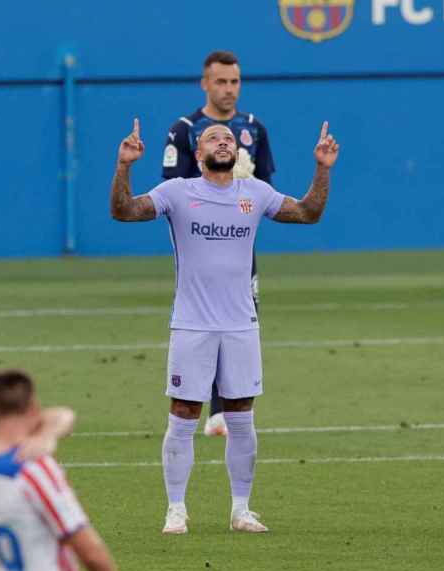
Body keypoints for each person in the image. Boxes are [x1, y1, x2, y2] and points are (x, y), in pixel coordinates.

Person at [110, 117, 339, 534]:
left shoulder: (255, 193)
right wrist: (124, 165)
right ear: (198, 154)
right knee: (183, 413)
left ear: (238, 153)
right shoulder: (177, 193)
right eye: (212, 138)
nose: (222, 142)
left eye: (228, 138)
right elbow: (124, 211)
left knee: (240, 415)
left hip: (240, 325)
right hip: (192, 324)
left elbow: (308, 212)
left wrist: (322, 167)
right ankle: (175, 510)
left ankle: (241, 510)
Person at [162, 50, 276, 437]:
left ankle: (225, 407)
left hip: (239, 242)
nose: (229, 90)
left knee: (243, 316)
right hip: (200, 241)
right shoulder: (185, 129)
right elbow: (172, 189)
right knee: (202, 320)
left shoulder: (254, 128)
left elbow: (267, 187)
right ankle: (207, 406)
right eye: (221, 82)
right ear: (205, 84)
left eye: (235, 82)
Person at [0, 369, 120, 571]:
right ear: (34, 408)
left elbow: (62, 417)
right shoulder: (34, 470)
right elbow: (91, 553)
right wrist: (47, 435)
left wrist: (47, 435)